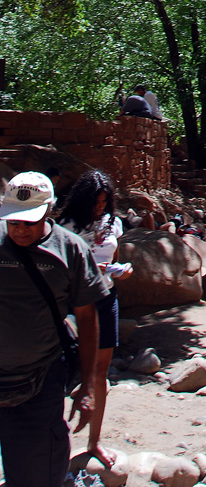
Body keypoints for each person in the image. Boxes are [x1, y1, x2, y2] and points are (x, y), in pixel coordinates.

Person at [0, 171, 108, 487]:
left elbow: (88, 321)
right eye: (13, 221)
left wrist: (87, 387)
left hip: (39, 382)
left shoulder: (72, 251)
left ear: (50, 210)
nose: (19, 230)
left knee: (36, 477)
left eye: (29, 222)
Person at [58, 170, 131, 470]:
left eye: (104, 201)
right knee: (62, 372)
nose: (100, 207)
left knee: (101, 373)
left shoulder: (113, 222)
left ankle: (94, 442)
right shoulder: (66, 226)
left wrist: (122, 270)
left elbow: (114, 258)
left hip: (106, 299)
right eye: (95, 201)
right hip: (74, 305)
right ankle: (56, 444)